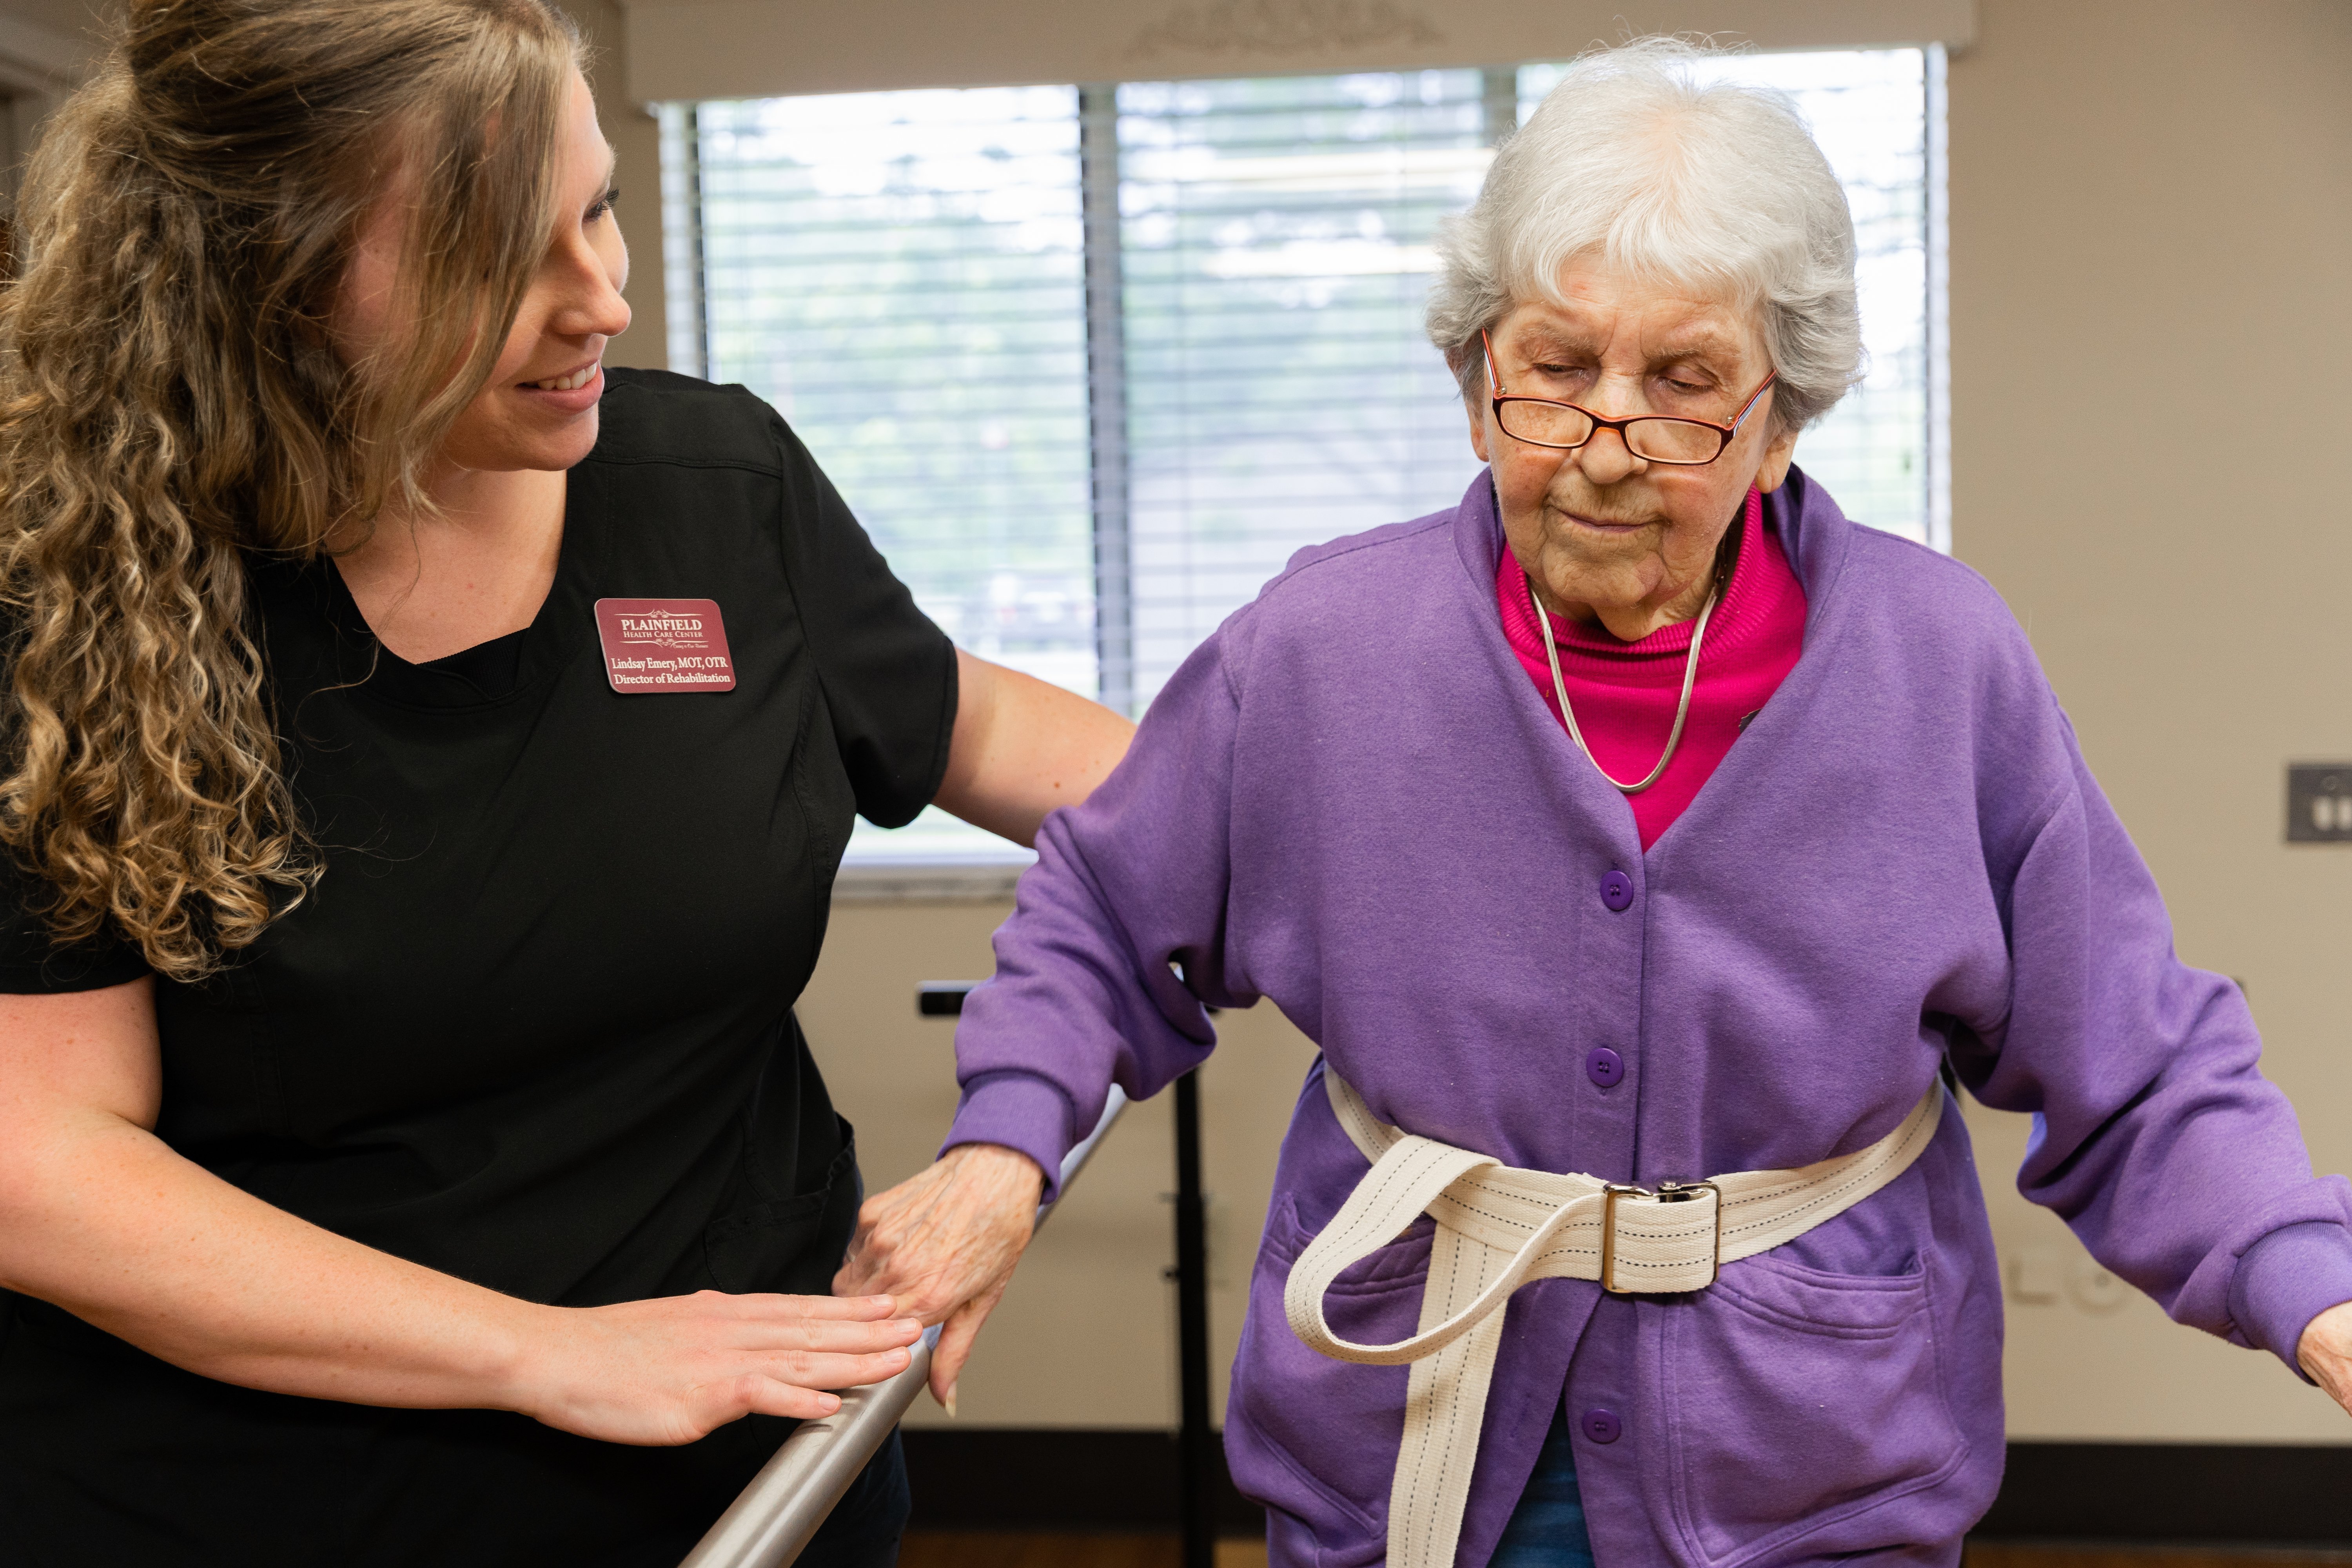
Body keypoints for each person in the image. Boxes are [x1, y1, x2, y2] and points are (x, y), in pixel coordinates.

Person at [836, 38, 2352, 1568]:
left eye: (1685, 383)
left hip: (1807, 1464)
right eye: (1556, 369)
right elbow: (1104, 904)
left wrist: (2313, 1282)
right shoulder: (1322, 648)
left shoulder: (1942, 664)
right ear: (1476, 376)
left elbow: (2136, 1051)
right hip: (1412, 1427)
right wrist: (1002, 1147)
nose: (1605, 444)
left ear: (1783, 419)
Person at [0, 3, 1132, 1564]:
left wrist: (1386, 798)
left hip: (760, 1490)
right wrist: (552, 1351)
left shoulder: (708, 490)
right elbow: (41, 1170)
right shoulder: (66, 588)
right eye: (499, 255)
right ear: (275, 279)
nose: (602, 296)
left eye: (595, 209)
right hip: (272, 1507)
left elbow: (1020, 749)